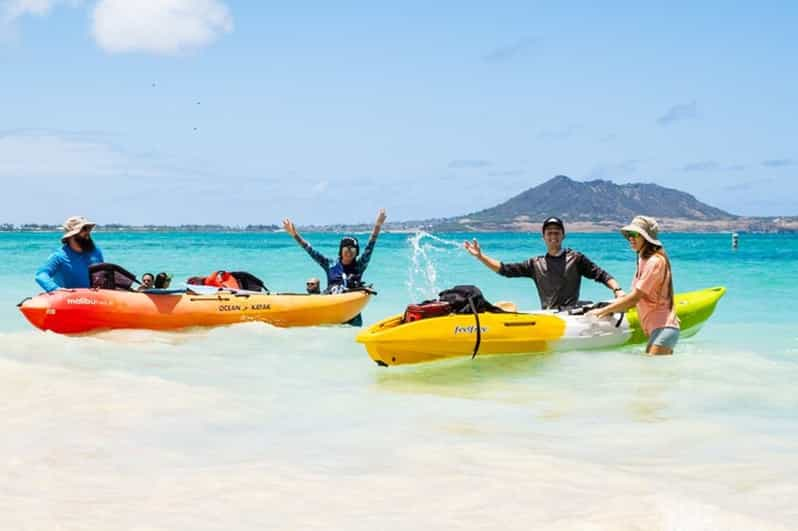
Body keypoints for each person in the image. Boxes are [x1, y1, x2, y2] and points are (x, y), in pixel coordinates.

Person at [464, 216, 624, 310]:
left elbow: (602, 275)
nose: (553, 236)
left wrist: (618, 291)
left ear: (563, 236)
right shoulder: (535, 264)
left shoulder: (576, 259)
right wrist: (480, 256)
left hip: (572, 315)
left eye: (557, 232)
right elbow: (505, 270)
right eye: (549, 233)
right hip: (548, 315)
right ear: (543, 237)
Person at [588, 216, 680, 355]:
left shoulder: (654, 262)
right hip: (658, 330)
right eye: (630, 235)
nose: (631, 238)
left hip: (664, 328)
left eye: (636, 234)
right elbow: (634, 298)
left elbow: (635, 298)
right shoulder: (644, 260)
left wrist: (602, 311)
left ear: (646, 237)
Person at [283, 208, 386, 293]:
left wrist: (378, 226)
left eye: (352, 249)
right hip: (332, 306)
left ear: (356, 252)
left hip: (351, 309)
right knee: (313, 284)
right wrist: (295, 235)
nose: (349, 252)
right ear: (341, 250)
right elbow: (310, 250)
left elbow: (370, 247)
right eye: (346, 249)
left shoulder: (359, 266)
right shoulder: (330, 264)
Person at [35, 216, 105, 292]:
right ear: (71, 236)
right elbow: (41, 275)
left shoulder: (96, 252)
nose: (87, 232)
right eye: (83, 229)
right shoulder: (59, 256)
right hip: (68, 300)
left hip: (94, 299)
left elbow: (102, 275)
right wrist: (54, 289)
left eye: (88, 228)